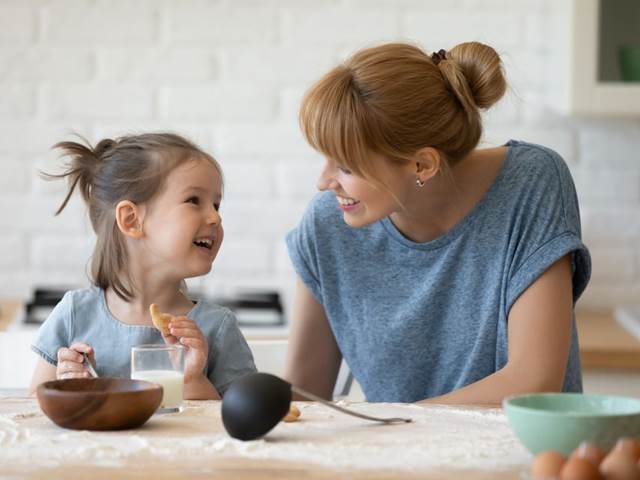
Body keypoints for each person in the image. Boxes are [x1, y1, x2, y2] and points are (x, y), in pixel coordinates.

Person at [284, 42, 591, 404]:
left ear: (423, 165)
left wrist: (390, 430)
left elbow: (533, 381)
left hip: (525, 457)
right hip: (392, 456)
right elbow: (303, 395)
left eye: (347, 167)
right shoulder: (329, 222)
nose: (324, 182)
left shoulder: (531, 183)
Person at [29, 133, 256, 399]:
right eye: (194, 200)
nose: (216, 217)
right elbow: (32, 409)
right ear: (131, 220)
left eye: (216, 205)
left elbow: (245, 419)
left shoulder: (216, 327)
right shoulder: (74, 315)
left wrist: (192, 380)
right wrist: (66, 387)